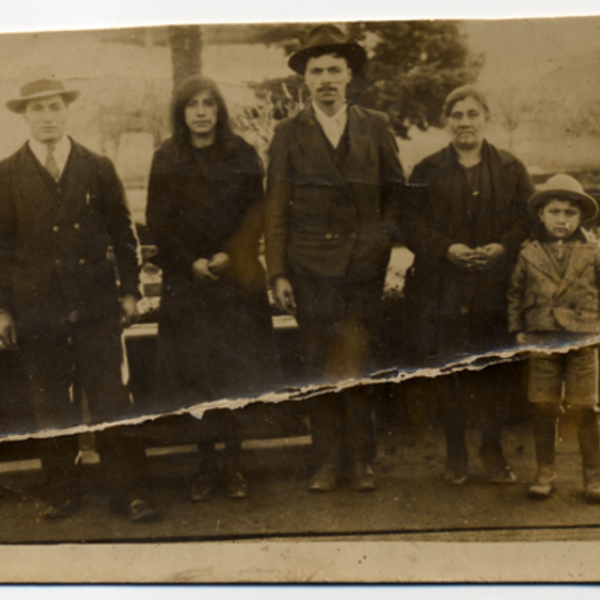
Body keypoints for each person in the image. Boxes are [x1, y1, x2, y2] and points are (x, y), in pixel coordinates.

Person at [0, 75, 158, 521]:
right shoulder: (6, 173)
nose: (46, 116)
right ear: (24, 116)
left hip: (95, 308)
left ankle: (129, 491)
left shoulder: (97, 167)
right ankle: (62, 492)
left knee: (111, 397)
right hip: (37, 311)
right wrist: (3, 308)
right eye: (37, 109)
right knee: (50, 401)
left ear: (67, 111)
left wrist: (131, 290)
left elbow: (123, 233)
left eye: (53, 107)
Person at [265, 25, 405, 492]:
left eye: (334, 70)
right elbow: (275, 206)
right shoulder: (288, 132)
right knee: (317, 364)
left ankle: (361, 461)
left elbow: (395, 196)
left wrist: (377, 244)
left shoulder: (375, 124)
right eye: (316, 70)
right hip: (310, 269)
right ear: (304, 79)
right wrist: (279, 272)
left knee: (358, 361)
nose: (326, 78)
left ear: (349, 75)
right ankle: (326, 461)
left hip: (362, 269)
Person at [146, 75, 280, 502]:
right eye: (192, 105)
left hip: (236, 281)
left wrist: (228, 254)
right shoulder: (166, 157)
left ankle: (234, 465)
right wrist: (191, 262)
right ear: (181, 112)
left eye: (208, 104)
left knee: (234, 374)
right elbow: (158, 220)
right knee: (196, 378)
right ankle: (205, 465)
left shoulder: (241, 153)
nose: (201, 112)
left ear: (219, 109)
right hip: (188, 286)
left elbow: (257, 211)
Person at [403, 85, 535, 485]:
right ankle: (456, 452)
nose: (464, 122)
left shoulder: (511, 168)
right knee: (451, 370)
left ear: (486, 118)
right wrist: (448, 249)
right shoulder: (426, 170)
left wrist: (502, 246)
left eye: (472, 113)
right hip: (442, 288)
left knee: (494, 371)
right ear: (446, 122)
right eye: (456, 114)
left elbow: (528, 219)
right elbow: (410, 224)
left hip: (495, 288)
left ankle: (492, 450)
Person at [508, 174, 600, 502]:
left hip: (583, 337)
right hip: (541, 336)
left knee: (586, 407)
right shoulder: (528, 252)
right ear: (541, 215)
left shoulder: (593, 251)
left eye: (570, 213)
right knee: (542, 405)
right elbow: (515, 292)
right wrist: (517, 328)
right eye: (555, 212)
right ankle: (545, 471)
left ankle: (593, 477)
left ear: (581, 218)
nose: (562, 219)